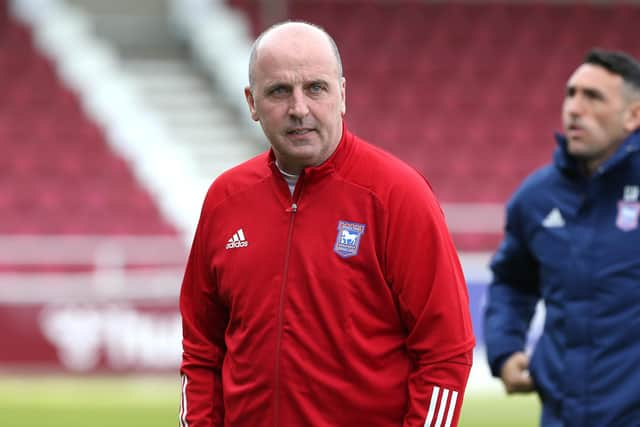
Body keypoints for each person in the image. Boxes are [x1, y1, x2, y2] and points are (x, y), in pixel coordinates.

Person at [178, 21, 474, 427]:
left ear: (342, 95)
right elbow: (201, 349)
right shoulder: (224, 200)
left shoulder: (398, 196)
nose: (299, 108)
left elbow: (446, 351)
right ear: (251, 102)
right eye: (279, 91)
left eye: (315, 88)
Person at [484, 48, 640, 427]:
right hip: (561, 416)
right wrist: (505, 350)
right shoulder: (535, 197)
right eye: (571, 94)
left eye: (593, 97)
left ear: (633, 116)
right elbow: (512, 283)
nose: (574, 107)